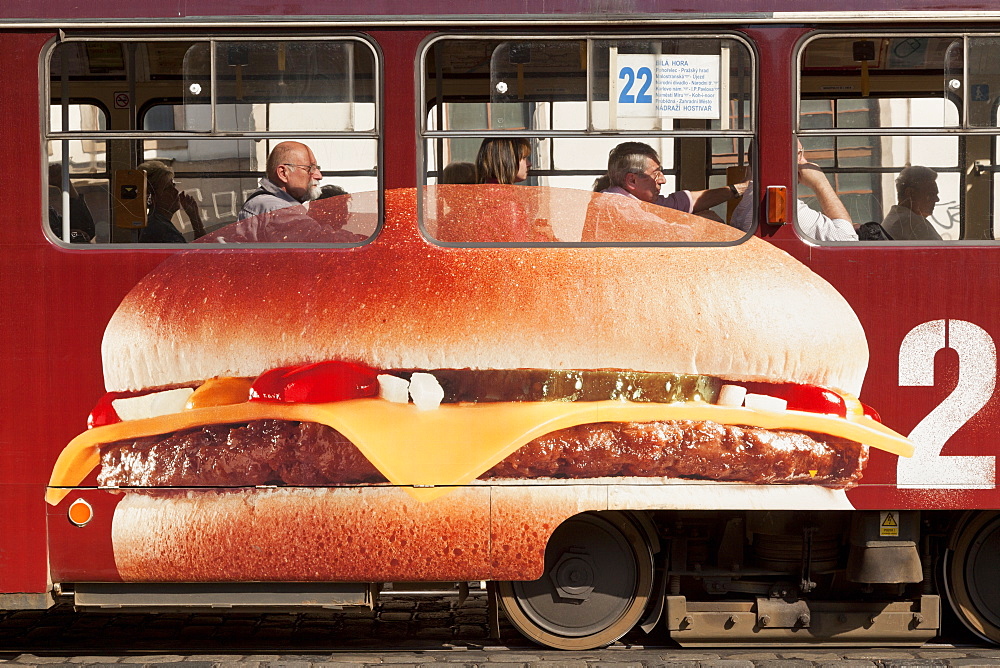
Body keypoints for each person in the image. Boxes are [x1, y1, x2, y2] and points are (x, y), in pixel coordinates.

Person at [597, 142, 748, 219]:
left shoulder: (640, 200)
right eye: (656, 174)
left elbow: (684, 202)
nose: (663, 180)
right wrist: (704, 223)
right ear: (632, 180)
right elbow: (675, 234)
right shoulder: (619, 207)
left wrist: (737, 189)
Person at [238, 141, 322, 221]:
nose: (319, 176)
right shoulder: (277, 209)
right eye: (311, 168)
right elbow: (317, 235)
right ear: (283, 173)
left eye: (317, 168)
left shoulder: (270, 204)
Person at [136, 160, 205, 243]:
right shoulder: (161, 230)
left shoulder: (158, 223)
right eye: (167, 188)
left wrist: (194, 216)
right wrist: (195, 218)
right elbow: (199, 255)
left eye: (173, 185)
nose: (175, 191)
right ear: (151, 196)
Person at [881, 166, 941, 241]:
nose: (937, 199)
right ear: (910, 193)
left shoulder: (896, 219)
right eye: (931, 194)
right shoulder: (912, 224)